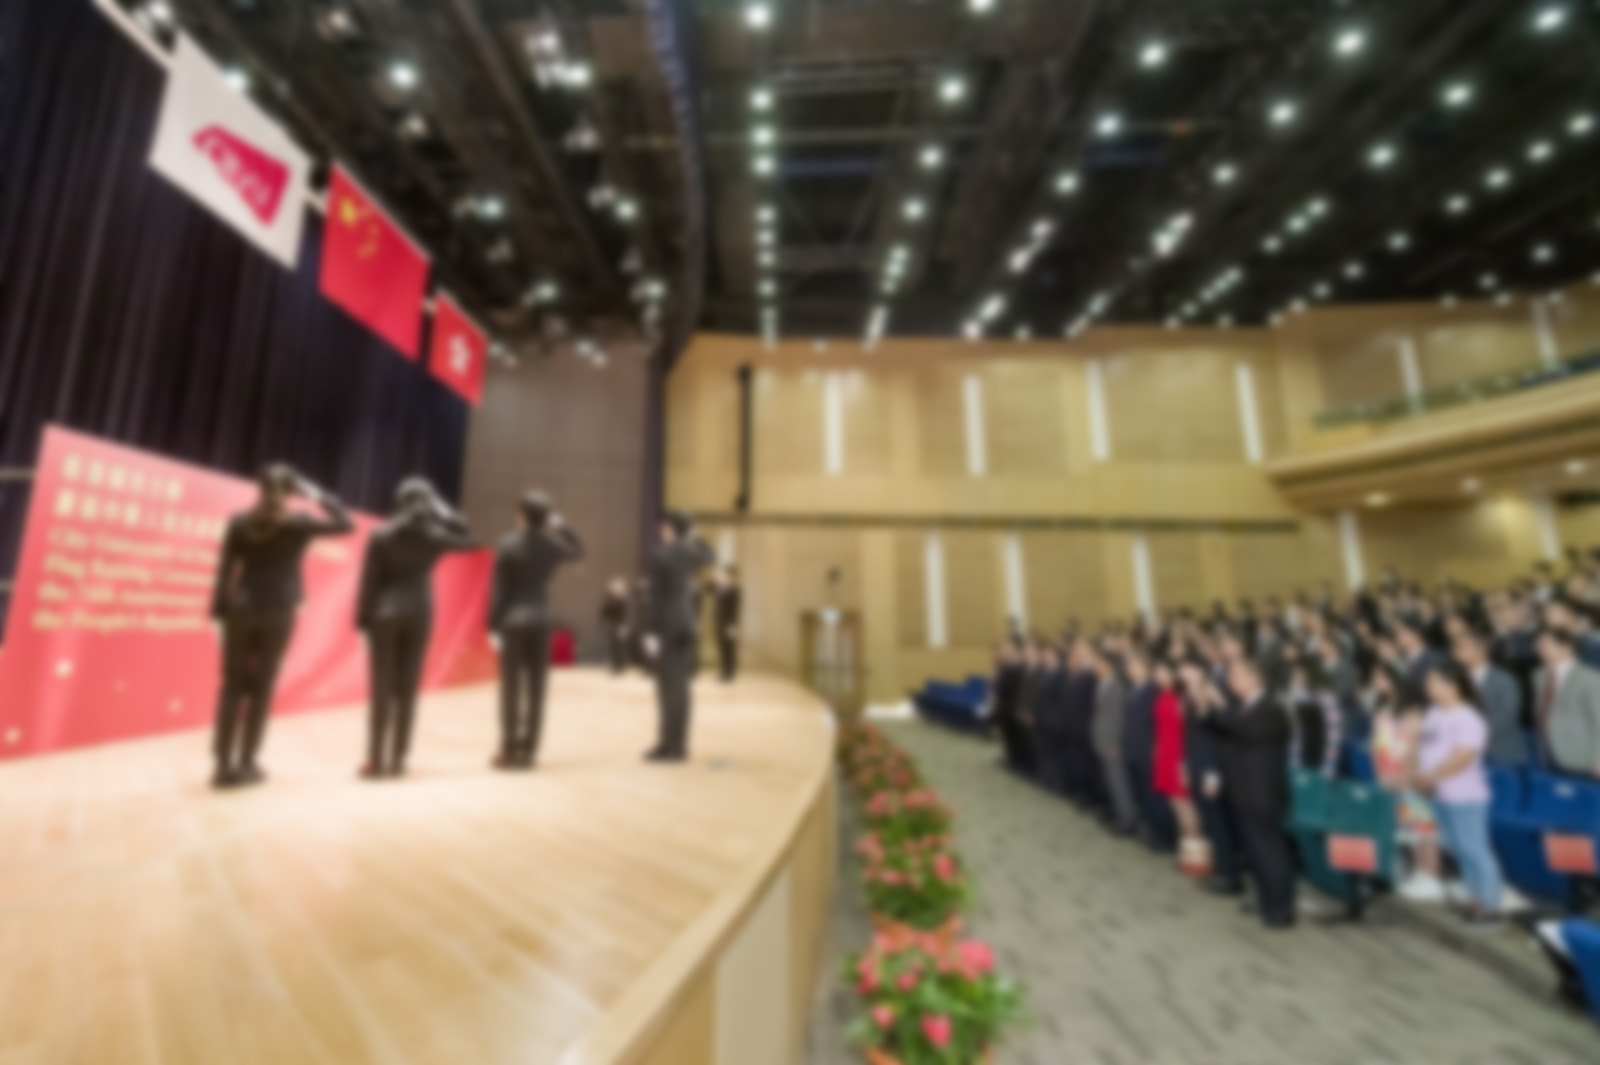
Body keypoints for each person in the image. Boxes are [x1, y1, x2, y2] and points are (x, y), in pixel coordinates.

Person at [209, 464, 353, 788]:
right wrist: (317, 493)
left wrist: (218, 615)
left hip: (241, 610)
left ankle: (222, 766)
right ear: (291, 492)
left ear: (259, 488)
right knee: (262, 689)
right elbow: (346, 524)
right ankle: (248, 763)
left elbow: (225, 573)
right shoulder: (298, 523)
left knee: (232, 688)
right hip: (279, 611)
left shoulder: (239, 522)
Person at [355, 478, 478, 779]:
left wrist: (361, 620)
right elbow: (472, 539)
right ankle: (399, 759)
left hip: (384, 615)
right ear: (428, 503)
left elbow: (368, 583)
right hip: (419, 614)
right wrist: (445, 511)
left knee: (381, 688)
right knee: (407, 689)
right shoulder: (434, 535)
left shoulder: (381, 535)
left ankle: (375, 759)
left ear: (399, 501)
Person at [487, 491, 585, 770]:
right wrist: (562, 525)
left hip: (513, 623)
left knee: (511, 689)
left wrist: (492, 626)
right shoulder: (551, 545)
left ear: (521, 515)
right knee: (537, 689)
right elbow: (579, 550)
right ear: (545, 518)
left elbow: (499, 591)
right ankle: (529, 752)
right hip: (542, 621)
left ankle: (508, 749)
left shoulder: (507, 544)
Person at [1202, 657, 1296, 929]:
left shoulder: (1271, 708)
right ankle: (1266, 899)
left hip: (1262, 792)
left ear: (1256, 678)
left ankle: (1281, 908)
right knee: (1255, 850)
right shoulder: (1243, 707)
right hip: (1242, 789)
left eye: (1237, 675)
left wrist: (1218, 704)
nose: (1231, 681)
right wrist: (1207, 703)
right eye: (1230, 675)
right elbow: (1217, 727)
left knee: (1270, 849)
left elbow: (1241, 730)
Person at [1412, 662, 1505, 927]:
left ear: (1453, 685)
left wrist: (1429, 777)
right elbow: (1424, 747)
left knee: (1476, 850)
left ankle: (1490, 907)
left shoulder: (1469, 717)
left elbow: (1462, 758)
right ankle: (1472, 899)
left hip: (1465, 796)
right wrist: (1420, 775)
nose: (1427, 688)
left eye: (1433, 683)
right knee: (1459, 849)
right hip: (1439, 794)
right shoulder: (1434, 712)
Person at [1368, 665, 1444, 902]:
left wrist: (1407, 775)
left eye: (1379, 677)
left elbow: (1416, 745)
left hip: (1408, 774)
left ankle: (1431, 875)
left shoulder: (1412, 710)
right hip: (1387, 772)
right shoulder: (1382, 705)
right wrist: (1380, 771)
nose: (1375, 682)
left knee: (1422, 825)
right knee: (1407, 828)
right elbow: (1377, 742)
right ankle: (1419, 871)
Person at [645, 511, 715, 762]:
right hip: (686, 622)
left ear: (669, 529)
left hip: (667, 624)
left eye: (663, 525)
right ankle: (678, 745)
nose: (660, 529)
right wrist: (693, 534)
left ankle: (669, 746)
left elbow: (655, 596)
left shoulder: (659, 554)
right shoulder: (689, 553)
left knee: (667, 687)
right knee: (681, 687)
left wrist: (650, 632)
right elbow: (711, 555)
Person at [1152, 660, 1204, 875]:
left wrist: (1184, 762)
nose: (1160, 676)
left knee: (1187, 808)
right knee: (1176, 807)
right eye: (1157, 672)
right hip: (1164, 754)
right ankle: (1186, 853)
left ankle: (1199, 858)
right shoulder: (1162, 694)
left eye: (1164, 672)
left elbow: (1187, 732)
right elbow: (1159, 727)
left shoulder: (1182, 697)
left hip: (1179, 756)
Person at [1453, 628, 1527, 766]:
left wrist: (1471, 736)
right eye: (1456, 647)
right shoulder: (1456, 680)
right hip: (1464, 753)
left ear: (1481, 649)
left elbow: (1506, 717)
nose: (1457, 651)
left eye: (1462, 647)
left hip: (1500, 753)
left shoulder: (1505, 680)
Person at [1533, 628, 1600, 778]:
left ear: (1567, 647)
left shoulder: (1590, 678)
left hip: (1582, 758)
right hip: (1547, 752)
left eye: (1545, 644)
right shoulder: (1539, 675)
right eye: (1538, 645)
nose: (1539, 649)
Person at [1091, 648, 1138, 836]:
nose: (1095, 666)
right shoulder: (1102, 683)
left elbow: (1118, 718)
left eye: (1098, 662)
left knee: (1119, 782)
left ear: (1108, 665)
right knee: (1111, 781)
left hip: (1112, 744)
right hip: (1102, 741)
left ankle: (1127, 820)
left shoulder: (1116, 686)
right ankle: (1119, 814)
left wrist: (1114, 743)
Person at [712, 565, 743, 682]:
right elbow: (711, 591)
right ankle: (723, 672)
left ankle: (730, 674)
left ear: (732, 576)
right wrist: (719, 583)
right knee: (722, 649)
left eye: (726, 575)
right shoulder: (721, 588)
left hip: (729, 625)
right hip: (719, 623)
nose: (724, 577)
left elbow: (735, 610)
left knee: (729, 649)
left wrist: (733, 626)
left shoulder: (736, 590)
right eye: (723, 575)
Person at [600, 577, 631, 675]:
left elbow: (623, 613)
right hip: (613, 625)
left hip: (621, 625)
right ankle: (616, 665)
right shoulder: (610, 599)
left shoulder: (622, 599)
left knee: (620, 647)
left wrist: (624, 627)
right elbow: (605, 611)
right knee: (614, 646)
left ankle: (621, 666)